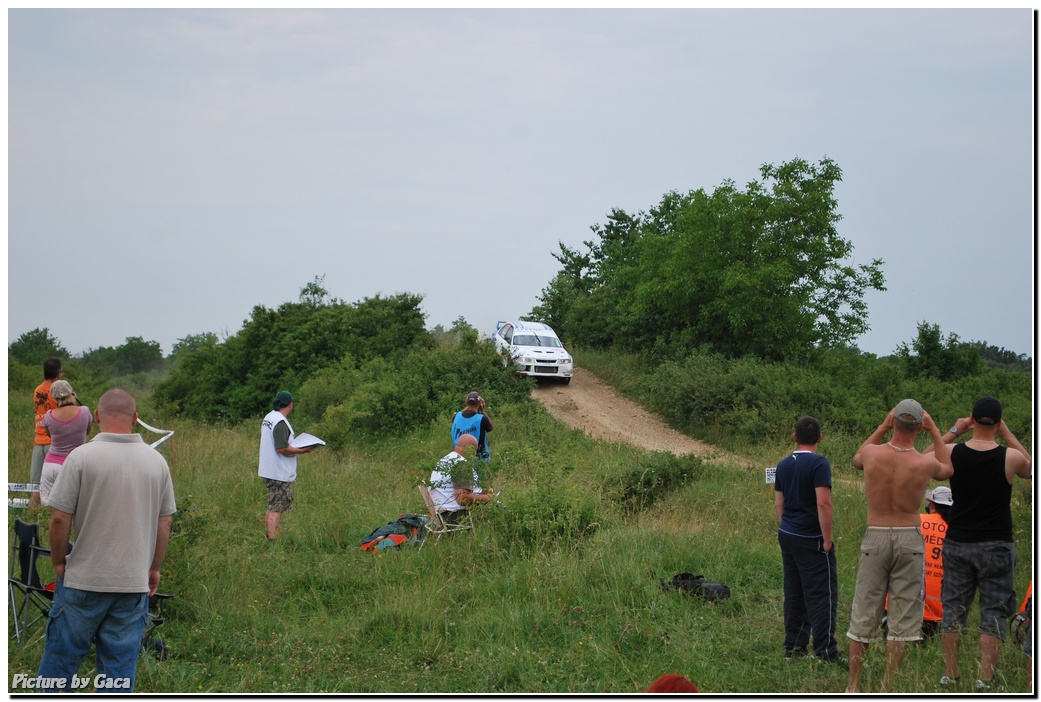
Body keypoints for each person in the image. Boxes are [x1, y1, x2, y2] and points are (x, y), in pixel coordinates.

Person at [36, 389, 176, 693]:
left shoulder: (81, 457)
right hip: (132, 584)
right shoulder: (157, 462)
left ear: (96, 417)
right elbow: (164, 522)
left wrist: (59, 561)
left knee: (60, 664)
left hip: (83, 579)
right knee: (118, 669)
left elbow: (60, 518)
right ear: (136, 419)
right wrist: (154, 568)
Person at [845, 399, 953, 693]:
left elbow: (856, 458)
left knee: (865, 608)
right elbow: (947, 470)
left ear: (893, 421)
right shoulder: (924, 462)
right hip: (909, 536)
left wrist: (882, 426)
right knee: (903, 615)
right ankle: (887, 686)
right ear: (918, 425)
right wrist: (934, 431)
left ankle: (853, 685)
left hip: (876, 533)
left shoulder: (871, 454)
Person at [931, 396, 1032, 690]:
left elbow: (920, 457)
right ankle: (985, 680)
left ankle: (950, 674)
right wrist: (1009, 436)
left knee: (954, 609)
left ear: (972, 420)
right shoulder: (1009, 457)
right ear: (998, 424)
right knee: (994, 611)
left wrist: (953, 430)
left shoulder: (952, 452)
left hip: (958, 540)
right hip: (996, 544)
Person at [773, 416, 841, 663]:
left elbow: (779, 503)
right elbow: (823, 502)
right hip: (811, 536)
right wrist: (827, 539)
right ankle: (825, 651)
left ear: (794, 437)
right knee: (822, 594)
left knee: (794, 591)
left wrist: (786, 525)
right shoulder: (819, 464)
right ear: (820, 438)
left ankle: (794, 648)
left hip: (788, 534)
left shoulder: (782, 465)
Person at [258, 390, 317, 541]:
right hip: (278, 472)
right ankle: (272, 539)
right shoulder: (280, 423)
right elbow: (282, 448)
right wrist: (303, 450)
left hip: (270, 469)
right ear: (290, 405)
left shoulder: (269, 417)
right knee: (276, 507)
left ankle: (270, 534)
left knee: (273, 504)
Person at [38, 380, 92, 507]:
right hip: (76, 464)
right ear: (72, 393)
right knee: (76, 505)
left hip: (51, 464)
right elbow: (87, 431)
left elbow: (50, 435)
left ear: (54, 397)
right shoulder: (84, 411)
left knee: (47, 504)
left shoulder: (49, 416)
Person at [429, 434, 493, 525]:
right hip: (455, 516)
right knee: (499, 511)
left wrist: (480, 492)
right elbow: (462, 498)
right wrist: (486, 498)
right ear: (470, 449)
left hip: (441, 515)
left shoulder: (445, 461)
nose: (475, 455)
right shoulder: (461, 464)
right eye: (475, 451)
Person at [29, 357, 63, 508]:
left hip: (38, 442)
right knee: (55, 488)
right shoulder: (58, 391)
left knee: (35, 488)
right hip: (54, 444)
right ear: (59, 374)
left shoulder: (37, 390)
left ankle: (30, 519)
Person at [451, 391, 494, 461]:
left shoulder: (457, 416)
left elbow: (454, 417)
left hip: (459, 455)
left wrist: (468, 407)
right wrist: (482, 410)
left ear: (466, 403)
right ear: (480, 403)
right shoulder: (482, 418)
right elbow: (491, 427)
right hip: (477, 457)